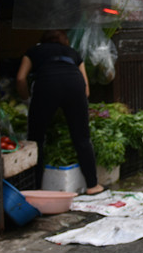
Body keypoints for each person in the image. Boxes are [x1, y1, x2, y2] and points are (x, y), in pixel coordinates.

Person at [16, 29, 104, 195]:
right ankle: (93, 185)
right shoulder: (73, 52)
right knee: (82, 138)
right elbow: (86, 89)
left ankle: (35, 188)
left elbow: (21, 78)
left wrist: (26, 99)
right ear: (65, 41)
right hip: (74, 85)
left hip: (46, 86)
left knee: (36, 139)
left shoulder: (34, 51)